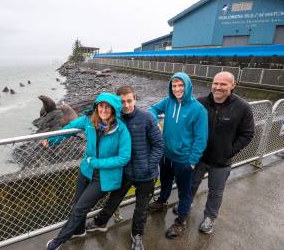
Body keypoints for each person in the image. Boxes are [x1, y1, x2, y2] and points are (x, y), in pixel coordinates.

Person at [44, 92, 132, 250]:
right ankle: (79, 230)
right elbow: (70, 129)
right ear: (96, 107)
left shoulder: (121, 130)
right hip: (86, 171)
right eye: (101, 106)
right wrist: (50, 140)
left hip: (104, 177)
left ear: (113, 110)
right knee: (77, 204)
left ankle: (58, 241)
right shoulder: (89, 121)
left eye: (107, 107)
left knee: (80, 208)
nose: (104, 110)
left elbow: (124, 158)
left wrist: (97, 162)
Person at [85, 86, 163, 250]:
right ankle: (101, 222)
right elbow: (94, 120)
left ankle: (137, 235)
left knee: (141, 208)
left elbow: (159, 145)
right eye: (122, 102)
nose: (126, 105)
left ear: (135, 99)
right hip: (125, 171)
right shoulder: (116, 119)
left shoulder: (147, 118)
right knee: (114, 199)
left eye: (129, 100)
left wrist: (150, 165)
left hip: (146, 174)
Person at [190, 71, 254, 234]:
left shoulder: (243, 107)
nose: (218, 87)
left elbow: (247, 134)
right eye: (215, 83)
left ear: (233, 86)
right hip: (199, 157)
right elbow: (190, 126)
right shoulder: (200, 103)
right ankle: (186, 203)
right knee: (190, 184)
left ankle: (210, 217)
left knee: (216, 192)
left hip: (221, 161)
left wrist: (229, 151)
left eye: (223, 84)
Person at [148, 72, 208, 239]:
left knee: (184, 192)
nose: (177, 89)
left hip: (184, 160)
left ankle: (181, 221)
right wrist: (153, 119)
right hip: (166, 154)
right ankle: (162, 202)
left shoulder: (198, 110)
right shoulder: (169, 102)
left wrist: (192, 161)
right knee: (165, 182)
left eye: (181, 85)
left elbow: (201, 138)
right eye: (174, 85)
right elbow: (152, 109)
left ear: (188, 86)